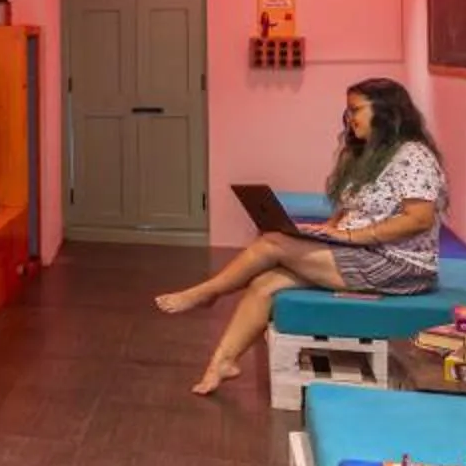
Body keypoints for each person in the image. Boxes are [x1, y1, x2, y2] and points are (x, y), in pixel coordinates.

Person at [155, 79, 448, 396]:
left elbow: (419, 219)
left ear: (386, 112)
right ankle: (221, 364)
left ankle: (208, 292)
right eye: (348, 111)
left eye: (356, 110)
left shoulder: (412, 156)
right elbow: (355, 206)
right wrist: (329, 230)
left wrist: (353, 235)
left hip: (399, 266)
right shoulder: (370, 155)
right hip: (364, 252)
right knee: (266, 283)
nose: (350, 118)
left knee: (272, 243)